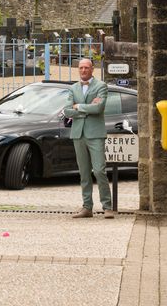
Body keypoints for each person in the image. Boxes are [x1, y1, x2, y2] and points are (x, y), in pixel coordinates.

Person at [63, 58, 114, 219]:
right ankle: (87, 207)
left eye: (86, 68)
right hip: (78, 133)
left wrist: (78, 106)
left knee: (99, 170)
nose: (83, 70)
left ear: (92, 69)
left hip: (95, 133)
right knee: (84, 173)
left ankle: (107, 207)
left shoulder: (101, 86)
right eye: (81, 68)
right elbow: (66, 111)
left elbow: (99, 108)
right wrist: (87, 109)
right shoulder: (73, 88)